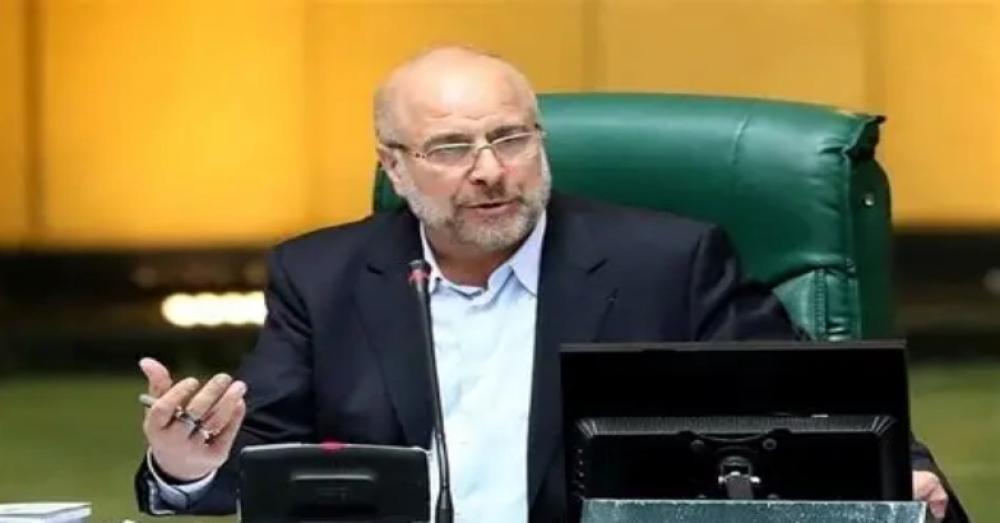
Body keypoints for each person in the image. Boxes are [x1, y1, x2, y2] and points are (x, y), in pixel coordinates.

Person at [135, 46, 964, 522]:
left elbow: (820, 412)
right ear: (394, 166)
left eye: (512, 139)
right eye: (451, 148)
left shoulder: (668, 263)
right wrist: (185, 466)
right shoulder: (323, 276)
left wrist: (905, 479)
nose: (491, 171)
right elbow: (267, 469)